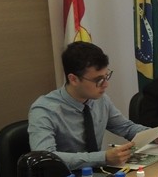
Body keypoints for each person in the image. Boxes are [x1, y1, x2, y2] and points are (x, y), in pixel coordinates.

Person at [28, 42, 148, 170]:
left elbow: (126, 128)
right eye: (98, 80)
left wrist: (157, 135)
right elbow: (45, 158)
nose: (105, 84)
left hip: (98, 174)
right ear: (73, 79)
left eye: (106, 76)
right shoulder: (44, 110)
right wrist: (103, 157)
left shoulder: (100, 100)